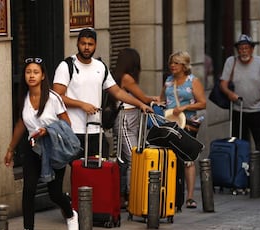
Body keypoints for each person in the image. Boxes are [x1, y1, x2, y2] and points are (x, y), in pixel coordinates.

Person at [4, 57, 79, 230]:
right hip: (32, 148)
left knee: (54, 193)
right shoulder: (24, 98)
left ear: (43, 75)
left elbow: (66, 123)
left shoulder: (53, 98)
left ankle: (71, 215)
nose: (31, 75)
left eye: (36, 72)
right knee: (28, 189)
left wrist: (49, 131)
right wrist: (10, 149)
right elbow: (21, 124)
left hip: (53, 149)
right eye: (28, 72)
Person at [52, 28, 152, 159]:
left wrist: (140, 104)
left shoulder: (100, 66)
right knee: (80, 172)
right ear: (77, 44)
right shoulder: (66, 66)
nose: (86, 47)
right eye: (83, 44)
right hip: (74, 130)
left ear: (95, 45)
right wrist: (82, 105)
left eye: (90, 44)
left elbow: (117, 92)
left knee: (98, 173)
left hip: (96, 130)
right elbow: (57, 97)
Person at [159, 51, 207, 209]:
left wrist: (185, 107)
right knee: (172, 158)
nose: (172, 66)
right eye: (171, 63)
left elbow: (202, 103)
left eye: (176, 63)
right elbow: (162, 100)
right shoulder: (168, 82)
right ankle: (173, 193)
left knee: (187, 159)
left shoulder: (193, 81)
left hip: (187, 123)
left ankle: (190, 196)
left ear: (184, 66)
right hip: (170, 123)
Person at [112, 48, 159, 207]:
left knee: (125, 161)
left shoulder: (122, 77)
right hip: (125, 118)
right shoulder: (126, 78)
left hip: (131, 118)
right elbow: (142, 98)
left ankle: (123, 195)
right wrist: (153, 99)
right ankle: (134, 195)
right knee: (134, 158)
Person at [220, 34, 260, 146]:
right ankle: (242, 163)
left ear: (252, 49)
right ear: (237, 51)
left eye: (246, 48)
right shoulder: (231, 62)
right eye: (240, 49)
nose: (243, 51)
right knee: (239, 143)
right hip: (238, 109)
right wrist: (230, 93)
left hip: (257, 109)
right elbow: (223, 84)